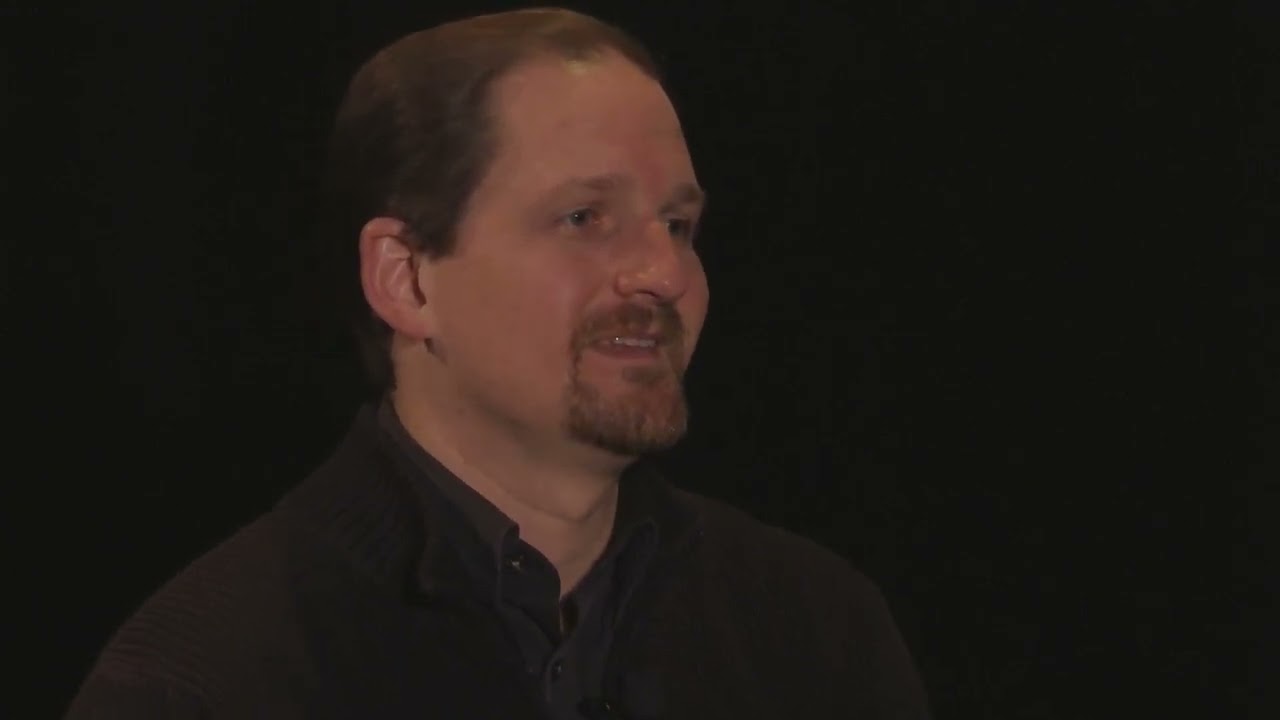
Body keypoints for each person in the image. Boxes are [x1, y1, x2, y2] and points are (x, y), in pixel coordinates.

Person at [66, 8, 930, 719]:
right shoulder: (207, 681)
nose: (665, 273)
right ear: (406, 280)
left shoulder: (817, 630)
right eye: (584, 218)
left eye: (677, 225)